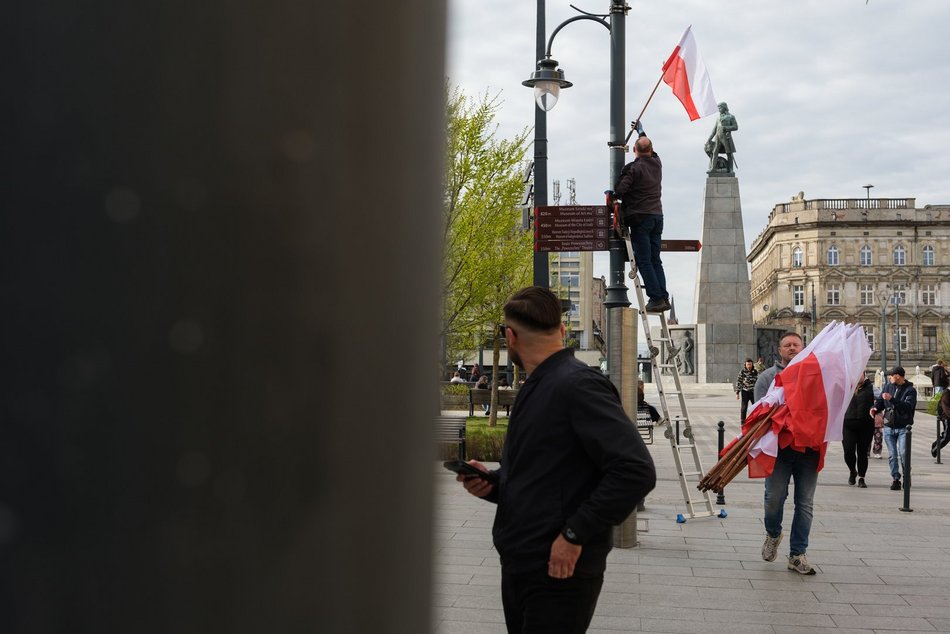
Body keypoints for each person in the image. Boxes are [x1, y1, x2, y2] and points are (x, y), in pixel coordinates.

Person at [456, 286, 656, 633]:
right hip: (525, 559)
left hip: (558, 567)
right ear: (563, 332)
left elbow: (635, 471)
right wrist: (492, 483)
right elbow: (546, 473)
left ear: (510, 337)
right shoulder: (541, 384)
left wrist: (574, 534)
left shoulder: (577, 385)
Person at [753, 332, 819, 575]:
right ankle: (773, 533)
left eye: (796, 345)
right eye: (787, 345)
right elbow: (759, 415)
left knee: (805, 503)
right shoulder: (767, 378)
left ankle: (797, 554)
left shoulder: (816, 374)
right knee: (774, 498)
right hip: (778, 450)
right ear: (779, 350)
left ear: (803, 348)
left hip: (809, 450)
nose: (792, 348)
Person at [613, 126, 669, 313]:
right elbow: (649, 149)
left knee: (644, 260)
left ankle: (655, 298)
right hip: (657, 216)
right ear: (651, 150)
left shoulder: (634, 169)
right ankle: (663, 296)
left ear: (635, 151)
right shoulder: (657, 163)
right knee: (655, 259)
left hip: (640, 217)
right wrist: (641, 132)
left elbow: (620, 190)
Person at [870, 366, 917, 491]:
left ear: (898, 376)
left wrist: (892, 399)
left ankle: (906, 476)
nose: (889, 377)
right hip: (889, 426)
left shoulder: (910, 390)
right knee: (892, 455)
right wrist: (875, 408)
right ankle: (895, 478)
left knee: (903, 454)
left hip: (903, 428)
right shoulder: (887, 386)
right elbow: (880, 401)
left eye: (891, 375)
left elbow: (908, 407)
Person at [841, 373, 875, 488]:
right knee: (848, 451)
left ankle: (861, 477)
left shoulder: (871, 388)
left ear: (864, 375)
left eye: (859, 373)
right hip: (848, 424)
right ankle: (852, 470)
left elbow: (881, 402)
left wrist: (877, 409)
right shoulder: (845, 386)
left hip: (866, 424)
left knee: (862, 453)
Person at [704, 101, 738, 174]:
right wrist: (709, 139)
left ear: (724, 107)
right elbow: (714, 130)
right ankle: (713, 169)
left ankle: (731, 170)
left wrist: (726, 128)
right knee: (715, 152)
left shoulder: (731, 117)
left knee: (729, 153)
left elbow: (735, 127)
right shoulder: (718, 118)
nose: (719, 109)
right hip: (718, 138)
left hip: (726, 138)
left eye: (720, 107)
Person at [734, 358, 758, 424]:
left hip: (753, 392)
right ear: (745, 365)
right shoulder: (742, 372)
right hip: (745, 391)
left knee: (756, 406)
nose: (749, 366)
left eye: (750, 364)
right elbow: (739, 382)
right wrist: (737, 393)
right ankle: (743, 420)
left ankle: (756, 419)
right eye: (747, 364)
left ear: (752, 364)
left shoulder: (755, 372)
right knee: (744, 407)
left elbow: (758, 382)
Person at [933, 389, 950, 458]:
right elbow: (946, 407)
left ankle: (935, 445)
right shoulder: (947, 393)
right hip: (947, 418)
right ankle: (935, 449)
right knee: (946, 436)